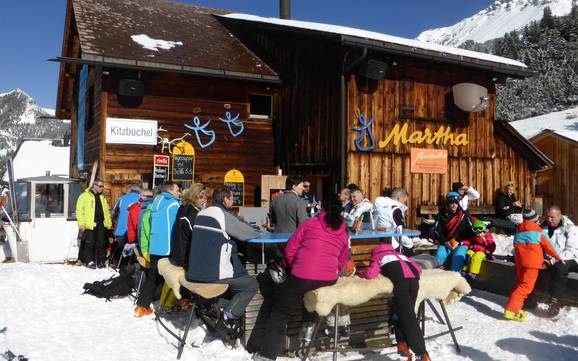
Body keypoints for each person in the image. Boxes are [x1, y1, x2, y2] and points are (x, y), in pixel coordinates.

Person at [252, 194, 350, 361]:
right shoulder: (344, 229)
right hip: (328, 278)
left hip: (302, 275)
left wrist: (294, 266)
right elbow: (342, 258)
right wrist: (332, 273)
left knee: (280, 313)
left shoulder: (311, 222)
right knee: (308, 302)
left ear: (323, 208)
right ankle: (307, 343)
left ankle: (266, 355)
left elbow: (291, 248)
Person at [187, 185, 260, 338]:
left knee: (235, 283)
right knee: (251, 284)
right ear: (225, 199)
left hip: (195, 270)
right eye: (232, 198)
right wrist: (258, 229)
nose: (233, 201)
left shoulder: (202, 213)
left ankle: (214, 308)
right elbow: (249, 233)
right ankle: (228, 317)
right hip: (213, 273)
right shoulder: (223, 215)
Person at [358, 242, 430, 361]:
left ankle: (422, 354)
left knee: (408, 318)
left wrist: (361, 273)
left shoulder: (378, 257)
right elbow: (419, 269)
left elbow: (371, 274)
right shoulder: (401, 255)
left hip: (400, 284)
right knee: (399, 314)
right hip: (414, 283)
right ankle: (402, 344)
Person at [504, 208, 562, 322]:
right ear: (535, 219)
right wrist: (558, 258)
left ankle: (515, 307)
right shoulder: (539, 231)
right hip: (532, 264)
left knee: (520, 285)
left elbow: (516, 246)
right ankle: (511, 310)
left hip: (520, 263)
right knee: (525, 287)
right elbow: (549, 247)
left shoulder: (519, 230)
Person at [134, 181, 181, 317]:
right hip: (168, 247)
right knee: (172, 276)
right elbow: (178, 226)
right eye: (177, 190)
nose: (179, 193)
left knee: (152, 278)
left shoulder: (156, 203)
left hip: (154, 247)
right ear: (170, 190)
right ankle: (170, 305)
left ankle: (141, 307)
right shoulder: (173, 204)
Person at [540, 206, 578, 316]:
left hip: (571, 258)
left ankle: (555, 302)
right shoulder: (543, 228)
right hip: (552, 259)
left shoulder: (570, 228)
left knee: (560, 267)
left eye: (552, 217)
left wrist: (551, 261)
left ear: (560, 216)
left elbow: (571, 249)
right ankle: (529, 298)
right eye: (548, 217)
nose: (549, 219)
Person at [75, 178, 112, 268]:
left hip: (101, 223)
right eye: (100, 186)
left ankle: (101, 261)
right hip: (90, 223)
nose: (101, 188)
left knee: (102, 243)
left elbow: (106, 211)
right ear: (94, 186)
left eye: (102, 186)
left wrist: (108, 223)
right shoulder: (84, 196)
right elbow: (79, 210)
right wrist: (81, 223)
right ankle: (89, 261)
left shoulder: (102, 197)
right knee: (89, 243)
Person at [433, 192, 473, 272]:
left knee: (459, 256)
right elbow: (436, 231)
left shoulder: (464, 215)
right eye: (451, 202)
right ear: (447, 203)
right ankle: (437, 275)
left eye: (456, 202)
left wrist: (460, 241)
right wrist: (445, 241)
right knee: (440, 254)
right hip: (445, 242)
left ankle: (455, 277)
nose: (453, 205)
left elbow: (470, 231)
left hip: (460, 243)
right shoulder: (441, 215)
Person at [170, 183, 206, 268]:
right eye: (200, 197)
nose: (204, 200)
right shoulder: (192, 214)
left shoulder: (183, 208)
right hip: (184, 259)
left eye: (205, 198)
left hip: (177, 256)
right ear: (194, 197)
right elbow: (198, 238)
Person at [374, 187, 414, 255]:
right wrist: (410, 244)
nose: (404, 203)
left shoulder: (379, 208)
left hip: (378, 243)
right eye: (404, 201)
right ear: (399, 198)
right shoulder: (395, 210)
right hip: (392, 247)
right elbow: (399, 234)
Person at [111, 184, 142, 266]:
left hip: (121, 229)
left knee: (120, 247)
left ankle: (117, 263)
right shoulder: (140, 199)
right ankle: (129, 265)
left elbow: (114, 213)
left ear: (129, 190)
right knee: (132, 249)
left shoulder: (121, 199)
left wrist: (115, 224)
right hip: (134, 229)